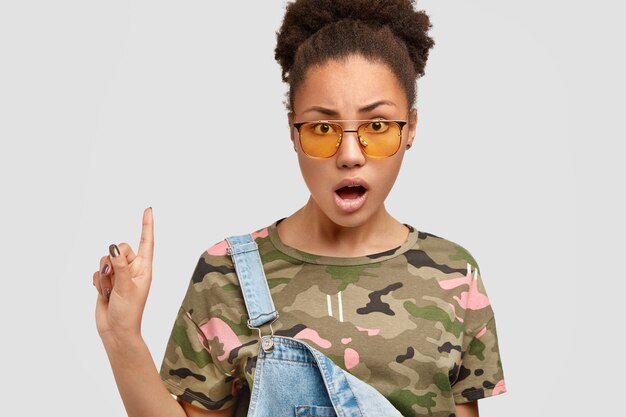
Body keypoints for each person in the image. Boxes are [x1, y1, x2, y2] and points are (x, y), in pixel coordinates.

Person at [92, 0, 507, 416]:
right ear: (293, 131)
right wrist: (121, 336)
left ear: (411, 127)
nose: (349, 155)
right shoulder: (227, 275)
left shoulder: (454, 275)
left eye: (376, 127)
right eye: (323, 128)